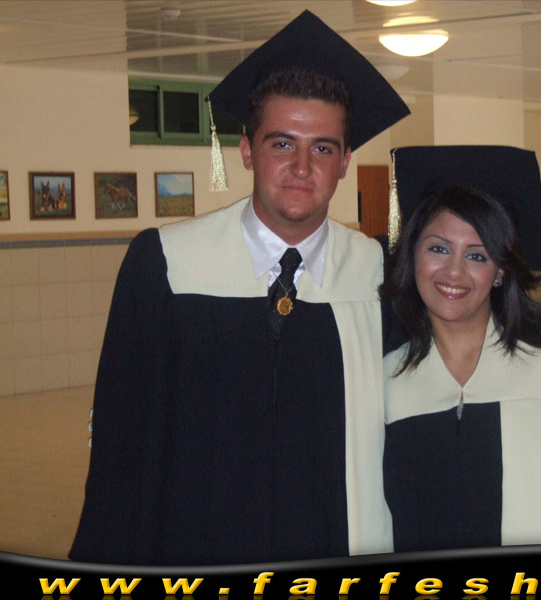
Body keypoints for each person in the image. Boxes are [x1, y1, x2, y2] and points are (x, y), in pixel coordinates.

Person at [69, 10, 409, 566]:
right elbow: (123, 449)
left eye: (323, 148)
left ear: (346, 162)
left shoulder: (377, 277)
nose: (302, 167)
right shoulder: (168, 266)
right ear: (247, 150)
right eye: (282, 144)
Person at [380, 146, 541, 551]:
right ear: (412, 252)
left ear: (500, 270)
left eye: (476, 255)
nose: (453, 271)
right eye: (438, 248)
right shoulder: (386, 379)